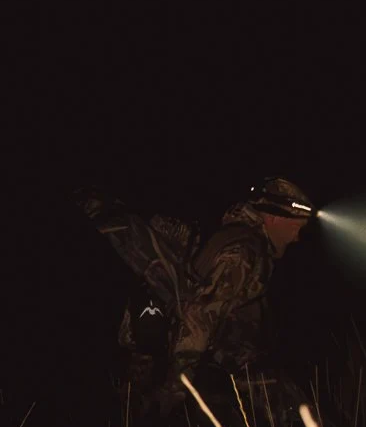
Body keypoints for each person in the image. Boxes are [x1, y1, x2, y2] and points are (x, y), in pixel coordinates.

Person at [82, 177, 316, 414]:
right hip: (211, 368)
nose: (296, 237)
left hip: (206, 365)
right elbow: (201, 315)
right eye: (295, 227)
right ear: (274, 218)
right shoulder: (244, 252)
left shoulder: (241, 240)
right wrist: (176, 386)